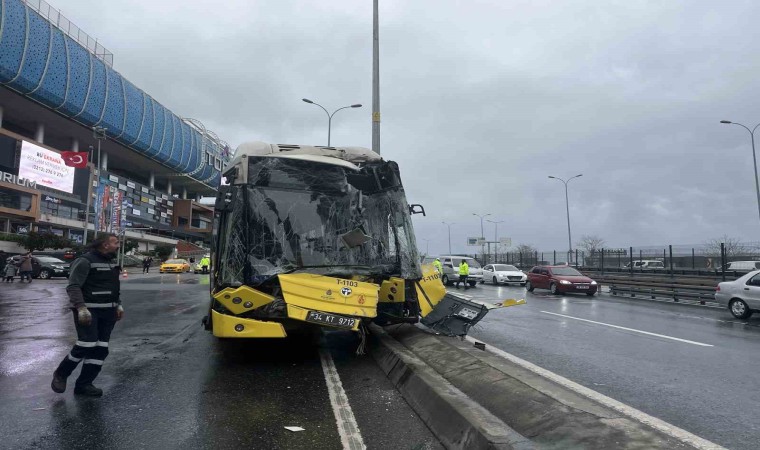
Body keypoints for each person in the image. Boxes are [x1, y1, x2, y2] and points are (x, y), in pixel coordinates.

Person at [51, 234, 123, 397]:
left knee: (101, 349)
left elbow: (113, 286)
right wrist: (81, 307)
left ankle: (84, 385)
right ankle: (61, 374)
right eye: (115, 243)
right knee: (86, 344)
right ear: (105, 245)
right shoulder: (85, 261)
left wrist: (119, 304)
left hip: (108, 312)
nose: (118, 245)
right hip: (89, 312)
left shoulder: (111, 262)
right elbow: (73, 286)